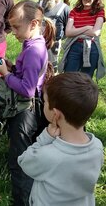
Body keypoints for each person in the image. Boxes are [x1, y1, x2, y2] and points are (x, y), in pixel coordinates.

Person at [0, 0, 55, 206]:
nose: (13, 32)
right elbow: (27, 76)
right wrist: (13, 69)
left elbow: (28, 89)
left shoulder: (33, 50)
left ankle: (23, 199)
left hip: (26, 112)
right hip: (29, 107)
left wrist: (5, 75)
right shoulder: (31, 44)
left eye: (16, 27)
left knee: (20, 160)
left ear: (33, 24)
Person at [18, 72, 104, 206]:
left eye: (45, 102)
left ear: (56, 114)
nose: (43, 104)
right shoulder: (97, 147)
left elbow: (24, 161)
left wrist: (45, 137)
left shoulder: (49, 156)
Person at [58, 0, 106, 80]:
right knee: (69, 77)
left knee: (86, 80)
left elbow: (95, 32)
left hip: (91, 48)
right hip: (74, 47)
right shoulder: (74, 11)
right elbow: (68, 33)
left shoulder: (100, 11)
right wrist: (87, 28)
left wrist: (76, 30)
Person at [40, 0, 70, 72]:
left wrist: (59, 38)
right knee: (37, 65)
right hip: (38, 41)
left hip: (53, 44)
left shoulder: (65, 9)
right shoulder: (40, 4)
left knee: (51, 68)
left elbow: (68, 28)